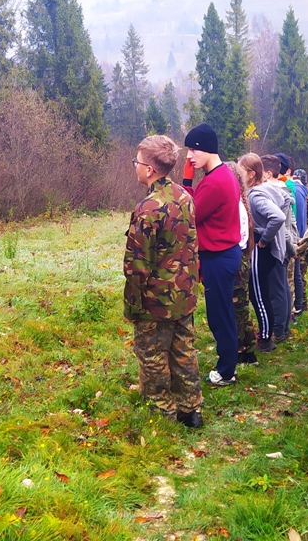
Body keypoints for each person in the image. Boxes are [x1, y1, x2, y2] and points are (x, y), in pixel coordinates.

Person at [123, 135, 204, 428]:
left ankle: (162, 413)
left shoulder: (148, 208)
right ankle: (190, 409)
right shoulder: (185, 197)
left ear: (148, 169)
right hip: (184, 292)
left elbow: (136, 266)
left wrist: (133, 306)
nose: (135, 166)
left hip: (155, 300)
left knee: (153, 354)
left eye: (137, 161)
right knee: (183, 350)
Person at [182, 124, 242, 386]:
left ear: (205, 149)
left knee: (221, 315)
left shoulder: (215, 182)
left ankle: (227, 371)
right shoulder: (221, 175)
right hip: (222, 254)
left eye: (193, 150)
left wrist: (185, 182)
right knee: (223, 312)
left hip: (218, 256)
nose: (189, 156)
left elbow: (190, 213)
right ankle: (228, 364)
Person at [239, 154, 287, 353]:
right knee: (262, 292)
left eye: (241, 172)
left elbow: (278, 216)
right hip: (266, 250)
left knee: (257, 295)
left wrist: (264, 239)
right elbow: (285, 200)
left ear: (251, 174)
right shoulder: (269, 189)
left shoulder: (255, 195)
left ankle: (266, 340)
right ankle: (267, 334)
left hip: (261, 249)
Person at [225, 161, 259, 366]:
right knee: (241, 306)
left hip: (236, 259)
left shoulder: (236, 204)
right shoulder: (240, 201)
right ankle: (246, 348)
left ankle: (243, 350)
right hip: (242, 258)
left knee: (237, 307)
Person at [264, 154, 296, 342]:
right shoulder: (285, 189)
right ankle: (283, 327)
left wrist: (290, 247)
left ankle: (279, 331)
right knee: (282, 286)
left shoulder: (275, 192)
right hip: (285, 244)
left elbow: (282, 223)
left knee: (277, 289)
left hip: (279, 245)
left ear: (268, 173)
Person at [279, 154, 308, 315]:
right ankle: (300, 305)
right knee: (297, 273)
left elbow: (295, 216)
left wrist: (295, 238)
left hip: (294, 236)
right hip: (296, 235)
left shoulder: (294, 190)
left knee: (294, 275)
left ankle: (296, 308)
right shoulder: (298, 189)